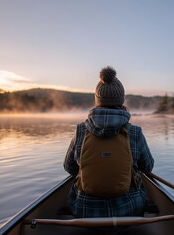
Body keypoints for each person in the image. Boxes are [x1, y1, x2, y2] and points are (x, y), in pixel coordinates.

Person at [64, 66, 154, 218]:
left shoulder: (80, 131)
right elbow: (148, 167)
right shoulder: (135, 132)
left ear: (97, 100)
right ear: (121, 100)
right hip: (130, 209)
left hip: (84, 211)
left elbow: (69, 168)